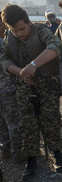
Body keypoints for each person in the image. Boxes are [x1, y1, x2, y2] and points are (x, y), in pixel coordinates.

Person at [0, 5, 62, 181]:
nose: (20, 33)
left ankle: (57, 154)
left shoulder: (41, 31)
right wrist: (20, 71)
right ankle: (31, 159)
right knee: (27, 125)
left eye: (22, 28)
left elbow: (56, 46)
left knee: (50, 120)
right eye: (15, 30)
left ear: (29, 22)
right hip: (24, 88)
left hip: (47, 86)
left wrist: (33, 66)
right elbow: (5, 61)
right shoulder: (10, 38)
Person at [0, 12, 24, 164]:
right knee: (13, 123)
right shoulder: (2, 44)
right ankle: (18, 154)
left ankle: (5, 150)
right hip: (6, 89)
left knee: (1, 122)